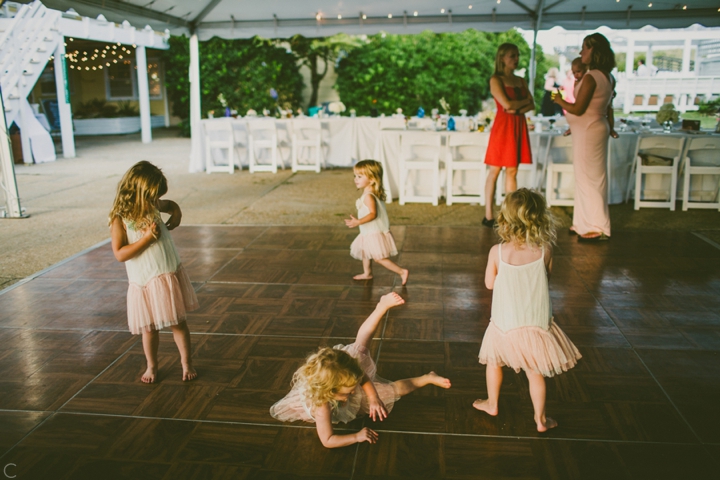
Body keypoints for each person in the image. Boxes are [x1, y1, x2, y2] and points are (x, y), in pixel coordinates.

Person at [270, 292, 452, 448]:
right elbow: (327, 440)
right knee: (393, 391)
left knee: (361, 345)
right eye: (348, 392)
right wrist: (356, 436)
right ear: (330, 392)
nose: (352, 393)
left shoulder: (347, 375)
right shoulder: (322, 406)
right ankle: (426, 377)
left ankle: (381, 307)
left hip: (338, 379)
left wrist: (373, 398)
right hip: (325, 400)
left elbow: (363, 378)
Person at [473, 189, 581, 432]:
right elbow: (546, 279)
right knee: (535, 373)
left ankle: (492, 403)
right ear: (539, 218)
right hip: (535, 324)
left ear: (504, 220)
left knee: (494, 363)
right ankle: (540, 420)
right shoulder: (545, 250)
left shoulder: (497, 252)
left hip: (504, 324)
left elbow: (489, 284)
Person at [109, 161, 198, 383]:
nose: (155, 201)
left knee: (178, 323)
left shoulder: (152, 205)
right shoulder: (120, 219)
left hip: (167, 275)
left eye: (156, 198)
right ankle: (152, 365)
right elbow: (120, 253)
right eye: (152, 197)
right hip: (145, 281)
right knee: (149, 329)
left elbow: (172, 205)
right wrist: (147, 239)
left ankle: (186, 363)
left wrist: (176, 213)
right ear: (138, 192)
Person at [553, 33, 618, 241]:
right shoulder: (607, 76)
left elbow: (579, 108)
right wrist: (575, 126)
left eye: (585, 48)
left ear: (595, 51)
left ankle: (598, 226)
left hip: (589, 130)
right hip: (589, 129)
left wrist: (558, 100)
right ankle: (582, 222)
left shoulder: (591, 77)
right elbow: (602, 107)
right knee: (585, 177)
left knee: (590, 178)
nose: (581, 52)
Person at [483, 43, 535, 228]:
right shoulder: (496, 79)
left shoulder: (521, 80)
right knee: (494, 170)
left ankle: (509, 215)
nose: (516, 59)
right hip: (503, 127)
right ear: (502, 58)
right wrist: (519, 104)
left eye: (517, 55)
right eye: (512, 55)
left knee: (512, 171)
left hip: (517, 125)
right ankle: (488, 214)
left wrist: (516, 106)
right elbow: (506, 105)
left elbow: (532, 104)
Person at [345, 160, 409, 285]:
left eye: (359, 176)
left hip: (374, 232)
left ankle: (401, 271)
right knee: (365, 251)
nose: (355, 179)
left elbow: (373, 214)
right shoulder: (371, 193)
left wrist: (358, 222)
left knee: (379, 258)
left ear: (372, 179)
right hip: (368, 231)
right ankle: (367, 273)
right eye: (355, 176)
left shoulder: (369, 196)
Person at [562, 58, 588, 135]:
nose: (576, 75)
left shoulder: (587, 81)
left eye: (578, 71)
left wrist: (559, 100)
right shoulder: (576, 82)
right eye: (574, 73)